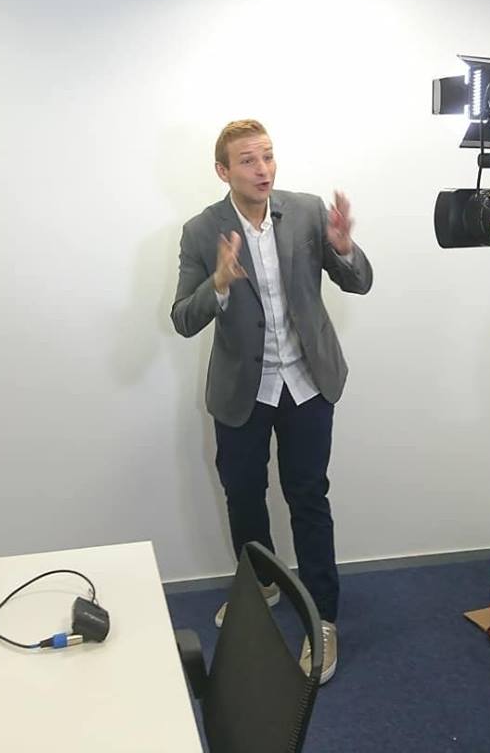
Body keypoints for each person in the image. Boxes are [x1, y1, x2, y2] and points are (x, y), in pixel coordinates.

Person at [171, 119, 372, 685]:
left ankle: (322, 619)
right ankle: (261, 585)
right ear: (223, 171)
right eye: (248, 161)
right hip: (243, 389)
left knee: (308, 497)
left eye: (268, 157)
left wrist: (344, 248)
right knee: (243, 494)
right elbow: (182, 318)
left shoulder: (306, 212)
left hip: (308, 383)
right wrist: (218, 283)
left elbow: (359, 282)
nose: (263, 170)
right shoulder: (200, 230)